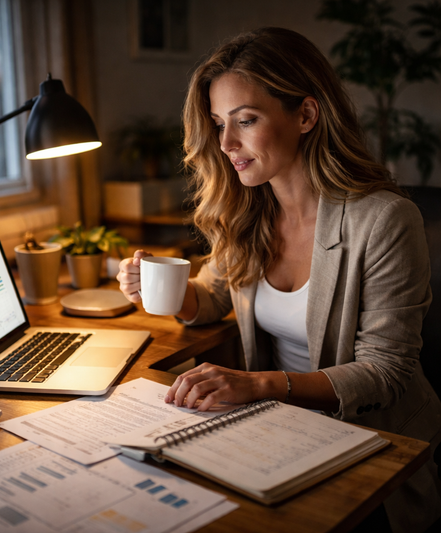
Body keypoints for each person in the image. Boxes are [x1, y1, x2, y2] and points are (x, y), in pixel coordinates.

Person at [117, 27, 441, 532]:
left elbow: (387, 371)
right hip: (278, 431)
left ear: (306, 115)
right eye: (220, 123)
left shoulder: (383, 220)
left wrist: (259, 385)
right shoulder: (247, 208)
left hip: (371, 443)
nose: (226, 143)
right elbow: (212, 297)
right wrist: (158, 285)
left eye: (246, 120)